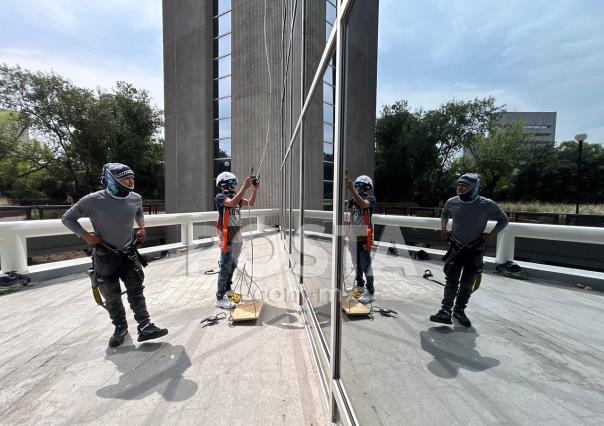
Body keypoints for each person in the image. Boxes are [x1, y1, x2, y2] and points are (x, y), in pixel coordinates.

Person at [61, 163, 168, 348]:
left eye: (132, 178)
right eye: (126, 178)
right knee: (111, 296)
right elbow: (67, 218)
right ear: (113, 180)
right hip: (105, 255)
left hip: (129, 253)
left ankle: (145, 326)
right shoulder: (93, 200)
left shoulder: (135, 198)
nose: (131, 181)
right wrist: (86, 236)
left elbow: (139, 210)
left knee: (136, 291)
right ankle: (120, 327)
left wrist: (142, 227)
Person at [430, 173, 509, 327]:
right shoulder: (452, 202)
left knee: (468, 282)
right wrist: (444, 227)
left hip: (475, 248)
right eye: (459, 185)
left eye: (464, 185)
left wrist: (492, 234)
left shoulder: (487, 204)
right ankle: (445, 311)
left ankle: (459, 311)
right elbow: (445, 213)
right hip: (456, 247)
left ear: (474, 187)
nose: (460, 188)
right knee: (451, 280)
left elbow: (504, 220)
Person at [214, 171, 260, 309]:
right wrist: (245, 187)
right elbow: (232, 203)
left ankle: (228, 291)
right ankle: (219, 298)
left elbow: (251, 203)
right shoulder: (220, 197)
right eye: (232, 183)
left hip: (237, 236)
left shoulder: (235, 196)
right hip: (227, 237)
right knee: (225, 267)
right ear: (224, 183)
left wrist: (255, 189)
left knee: (232, 266)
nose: (234, 186)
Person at [345, 175, 376, 304]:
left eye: (358, 186)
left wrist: (352, 190)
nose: (356, 188)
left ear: (365, 187)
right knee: (356, 264)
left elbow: (364, 205)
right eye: (355, 185)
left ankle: (370, 291)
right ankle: (360, 287)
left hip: (364, 236)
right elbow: (345, 204)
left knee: (365, 264)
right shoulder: (353, 201)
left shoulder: (370, 199)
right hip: (353, 237)